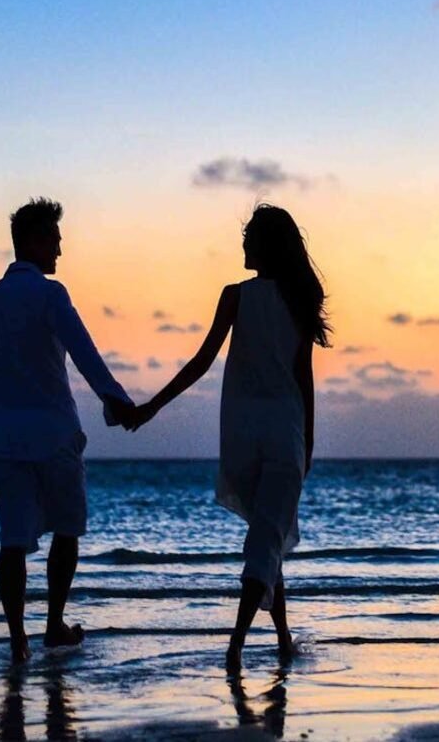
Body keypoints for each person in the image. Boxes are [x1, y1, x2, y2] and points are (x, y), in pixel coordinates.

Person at [132, 203, 329, 671]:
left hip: (240, 437)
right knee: (266, 540)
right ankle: (236, 645)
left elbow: (200, 363)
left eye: (247, 237)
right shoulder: (298, 298)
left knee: (267, 534)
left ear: (264, 245)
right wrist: (311, 440)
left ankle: (282, 638)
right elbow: (303, 376)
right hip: (285, 433)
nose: (242, 244)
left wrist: (150, 408)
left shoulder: (235, 296)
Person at [0, 197, 138, 663]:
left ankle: (17, 640)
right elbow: (83, 352)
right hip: (52, 432)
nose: (59, 253)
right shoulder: (51, 294)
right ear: (33, 240)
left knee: (12, 542)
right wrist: (117, 400)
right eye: (55, 241)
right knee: (67, 530)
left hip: (5, 435)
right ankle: (52, 625)